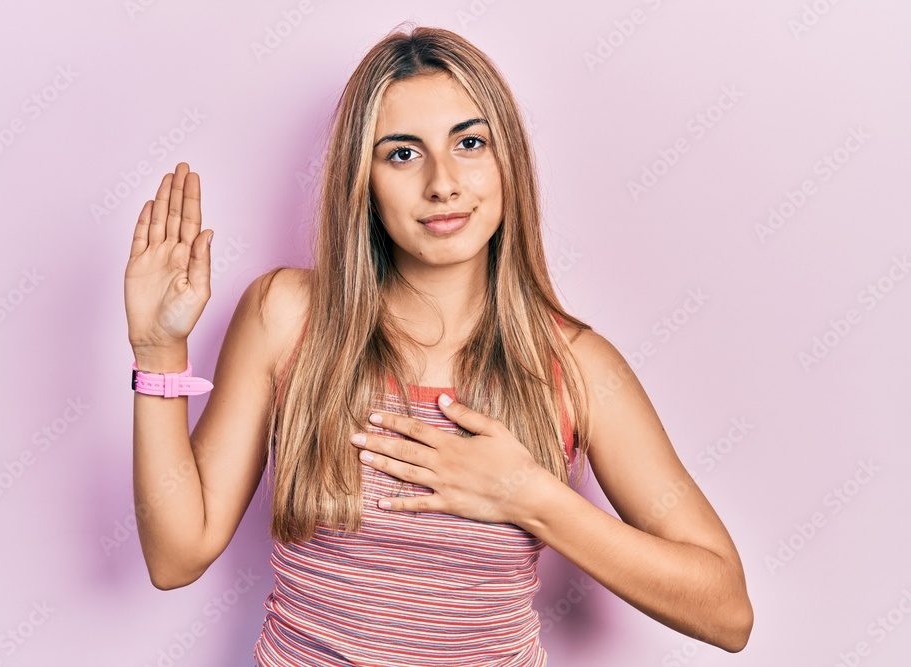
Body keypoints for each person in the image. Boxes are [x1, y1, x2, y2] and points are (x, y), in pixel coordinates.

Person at [123, 24, 753, 667]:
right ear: (361, 181)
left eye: (470, 143)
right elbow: (177, 555)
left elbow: (727, 611)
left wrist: (528, 496)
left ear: (508, 161)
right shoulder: (286, 317)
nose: (443, 183)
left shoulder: (574, 367)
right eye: (403, 153)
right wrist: (157, 350)